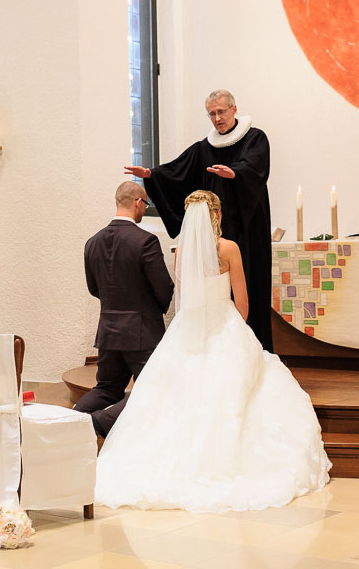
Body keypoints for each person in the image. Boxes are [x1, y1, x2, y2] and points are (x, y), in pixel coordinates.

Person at [94, 190, 330, 512]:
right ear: (217, 216)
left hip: (187, 330)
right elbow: (243, 304)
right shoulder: (228, 248)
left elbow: (184, 296)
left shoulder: (182, 252)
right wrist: (233, 328)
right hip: (222, 323)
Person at [125, 89, 273, 351]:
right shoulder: (205, 148)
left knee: (248, 283)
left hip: (248, 229)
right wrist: (152, 174)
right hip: (214, 233)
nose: (217, 118)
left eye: (221, 112)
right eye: (212, 114)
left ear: (234, 109)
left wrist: (236, 173)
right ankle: (214, 348)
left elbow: (256, 167)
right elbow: (178, 171)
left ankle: (253, 350)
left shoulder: (255, 138)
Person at [74, 181, 174, 437]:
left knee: (106, 388)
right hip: (142, 332)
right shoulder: (145, 241)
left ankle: (72, 418)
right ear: (138, 203)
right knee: (153, 389)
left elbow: (94, 288)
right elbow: (163, 287)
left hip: (108, 330)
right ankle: (100, 422)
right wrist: (152, 312)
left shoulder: (92, 242)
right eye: (146, 205)